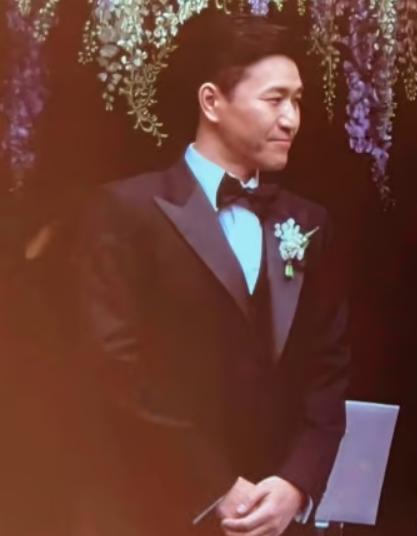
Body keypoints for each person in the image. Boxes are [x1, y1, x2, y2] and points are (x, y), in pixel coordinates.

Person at [71, 10, 350, 536]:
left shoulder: (310, 223)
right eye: (274, 99)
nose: (291, 119)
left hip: (277, 516)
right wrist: (213, 486)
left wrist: (297, 482)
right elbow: (113, 368)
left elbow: (328, 369)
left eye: (297, 100)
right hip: (154, 510)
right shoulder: (125, 211)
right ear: (211, 102)